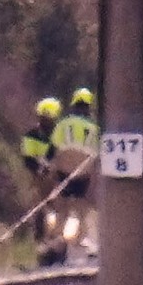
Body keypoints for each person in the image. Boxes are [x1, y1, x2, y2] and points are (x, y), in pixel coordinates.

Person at [49, 88, 100, 246]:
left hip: (63, 171)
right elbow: (99, 154)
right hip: (84, 173)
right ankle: (83, 239)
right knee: (83, 208)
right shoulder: (94, 128)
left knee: (62, 209)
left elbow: (52, 149)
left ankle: (56, 242)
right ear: (88, 107)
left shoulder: (63, 125)